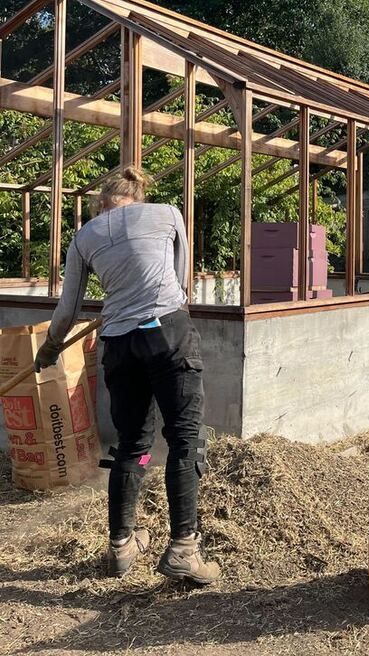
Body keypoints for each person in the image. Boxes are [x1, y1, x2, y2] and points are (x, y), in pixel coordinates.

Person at [34, 166, 219, 584]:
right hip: (166, 333)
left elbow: (68, 309)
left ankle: (121, 546)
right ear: (137, 197)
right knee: (185, 439)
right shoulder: (168, 214)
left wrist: (49, 349)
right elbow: (180, 281)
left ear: (103, 202)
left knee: (133, 446)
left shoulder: (85, 236)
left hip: (118, 345)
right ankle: (183, 549)